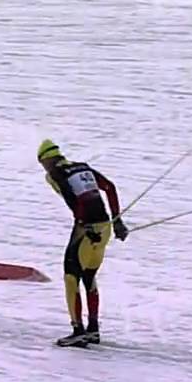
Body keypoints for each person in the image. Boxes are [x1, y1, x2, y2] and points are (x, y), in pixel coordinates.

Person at [37, 139, 128, 346]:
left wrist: (83, 225)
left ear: (47, 160)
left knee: (71, 276)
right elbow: (109, 187)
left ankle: (77, 330)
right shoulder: (83, 167)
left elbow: (74, 199)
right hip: (104, 225)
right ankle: (93, 330)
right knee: (89, 275)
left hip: (85, 227)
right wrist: (118, 221)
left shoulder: (55, 174)